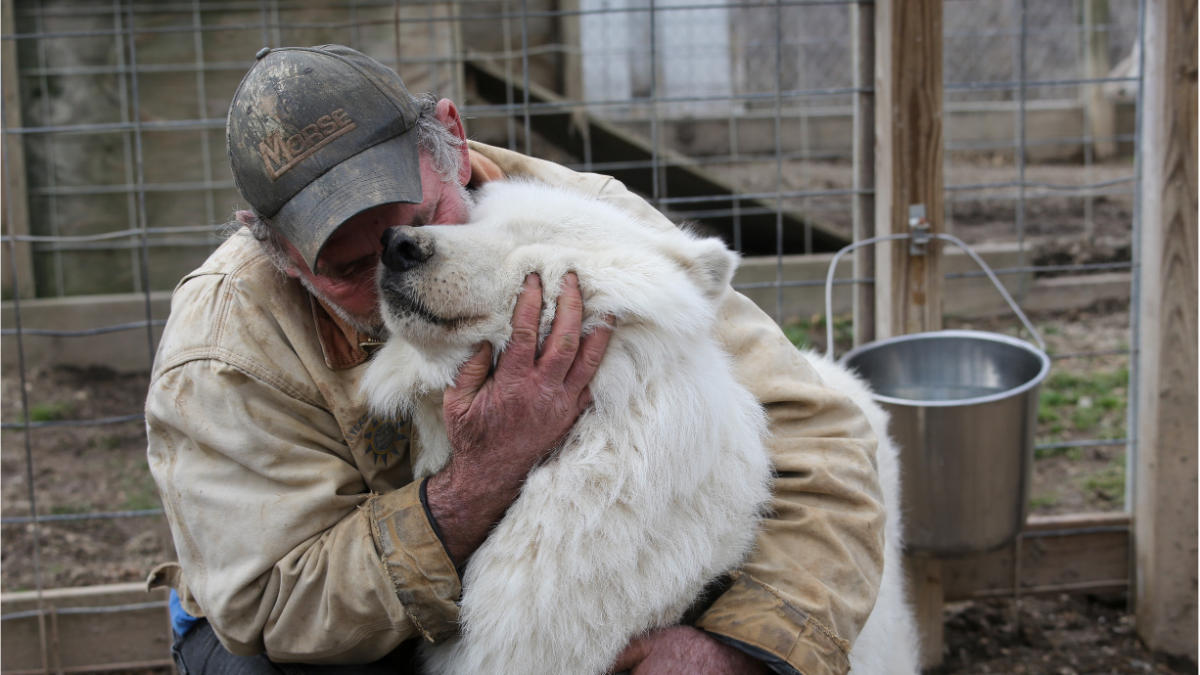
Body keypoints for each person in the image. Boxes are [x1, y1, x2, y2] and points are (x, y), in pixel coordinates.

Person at [146, 45, 885, 675]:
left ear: (451, 140)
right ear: (277, 253)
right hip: (303, 631)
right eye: (346, 264)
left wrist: (740, 646)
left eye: (417, 220)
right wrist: (484, 474)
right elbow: (273, 601)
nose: (391, 263)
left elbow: (822, 437)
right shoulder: (221, 346)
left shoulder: (586, 221)